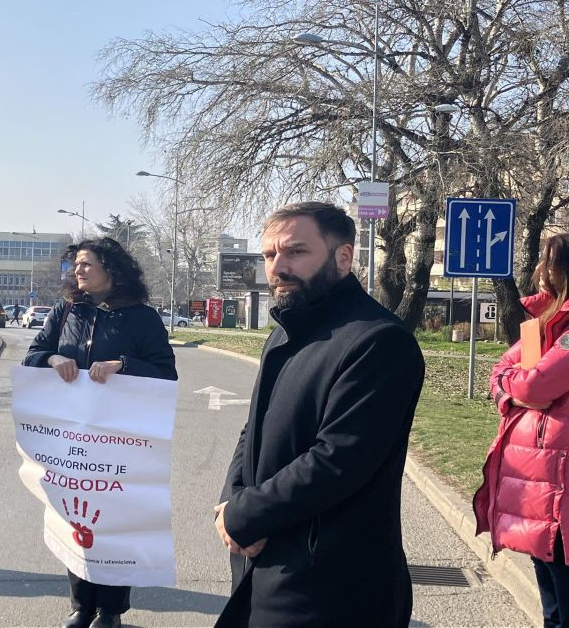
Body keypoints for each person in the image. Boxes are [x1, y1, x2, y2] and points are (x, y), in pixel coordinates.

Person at [214, 202, 425, 627]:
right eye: (271, 255)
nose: (279, 267)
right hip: (267, 563)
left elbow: (338, 460)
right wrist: (233, 498)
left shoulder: (378, 341)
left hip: (332, 586)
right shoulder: (284, 333)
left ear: (342, 258)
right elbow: (253, 427)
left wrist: (245, 515)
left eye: (296, 251)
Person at [23, 237, 177, 628]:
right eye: (75, 265)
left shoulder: (142, 317)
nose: (78, 271)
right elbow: (32, 356)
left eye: (87, 264)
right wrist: (54, 357)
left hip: (120, 435)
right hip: (71, 435)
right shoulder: (65, 311)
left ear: (112, 269)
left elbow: (165, 371)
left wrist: (122, 365)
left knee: (113, 517)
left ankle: (110, 609)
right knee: (74, 514)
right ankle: (80, 605)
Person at [474, 233, 569, 628]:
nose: (541, 272)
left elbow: (535, 385)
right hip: (535, 488)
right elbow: (500, 373)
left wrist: (517, 390)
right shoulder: (540, 326)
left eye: (551, 262)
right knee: (552, 610)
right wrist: (514, 392)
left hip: (560, 493)